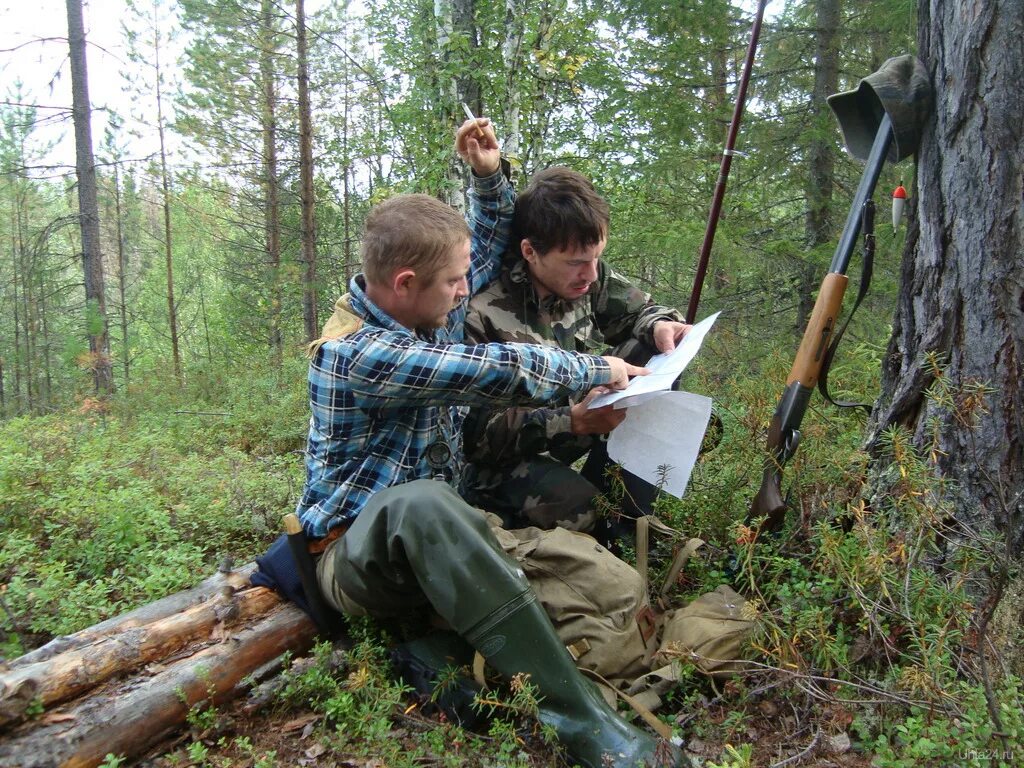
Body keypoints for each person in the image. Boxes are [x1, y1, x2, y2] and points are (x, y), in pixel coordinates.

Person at [295, 117, 685, 768]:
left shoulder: (429, 305)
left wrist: (487, 176)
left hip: (458, 535)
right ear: (404, 286)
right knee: (419, 504)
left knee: (614, 589)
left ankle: (446, 652)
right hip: (359, 559)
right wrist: (595, 369)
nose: (464, 294)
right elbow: (491, 372)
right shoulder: (355, 356)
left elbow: (496, 236)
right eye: (454, 284)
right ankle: (594, 733)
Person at [462, 166, 691, 538]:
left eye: (597, 257)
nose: (592, 274)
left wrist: (661, 324)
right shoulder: (482, 313)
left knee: (654, 352)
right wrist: (571, 421)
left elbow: (640, 311)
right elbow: (474, 437)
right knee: (585, 511)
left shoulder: (585, 275)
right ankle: (602, 535)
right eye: (577, 263)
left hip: (575, 422)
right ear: (530, 252)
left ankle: (633, 522)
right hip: (502, 464)